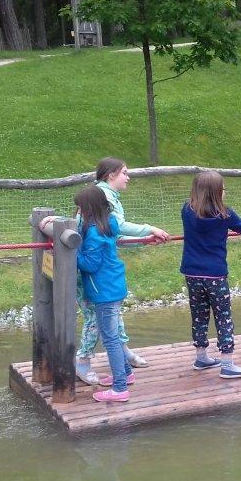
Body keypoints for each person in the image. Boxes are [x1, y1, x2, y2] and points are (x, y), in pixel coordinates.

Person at [75, 157, 171, 386]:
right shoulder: (101, 197)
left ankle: (123, 360)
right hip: (94, 277)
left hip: (103, 276)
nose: (128, 177)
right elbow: (116, 230)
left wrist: (144, 240)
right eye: (125, 173)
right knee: (95, 319)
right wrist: (149, 229)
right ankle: (84, 361)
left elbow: (113, 237)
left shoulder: (107, 198)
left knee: (110, 317)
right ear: (111, 175)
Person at [180, 171, 241, 379]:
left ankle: (201, 357)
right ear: (217, 193)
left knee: (199, 315)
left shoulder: (186, 210)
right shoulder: (225, 215)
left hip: (192, 273)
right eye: (223, 189)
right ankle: (227, 364)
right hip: (215, 275)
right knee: (223, 317)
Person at [75, 185, 134, 403]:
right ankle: (126, 374)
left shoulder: (93, 233)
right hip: (114, 285)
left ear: (88, 209)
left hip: (104, 292)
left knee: (110, 339)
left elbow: (90, 264)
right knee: (114, 334)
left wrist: (71, 252)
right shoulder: (109, 222)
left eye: (80, 208)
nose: (78, 212)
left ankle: (120, 388)